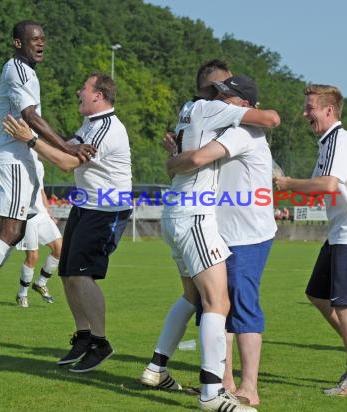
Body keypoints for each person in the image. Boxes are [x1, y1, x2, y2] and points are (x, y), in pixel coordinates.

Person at [140, 63, 279, 412]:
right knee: (218, 304)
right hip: (196, 216)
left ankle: (157, 367)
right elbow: (271, 119)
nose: (223, 100)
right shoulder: (217, 113)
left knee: (194, 298)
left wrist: (173, 159)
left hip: (183, 214)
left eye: (227, 95)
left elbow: (195, 153)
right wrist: (177, 161)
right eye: (220, 92)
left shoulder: (189, 112)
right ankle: (212, 394)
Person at [0, 20, 93, 336]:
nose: (41, 43)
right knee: (10, 230)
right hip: (14, 158)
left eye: (43, 38)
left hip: (26, 160)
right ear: (18, 43)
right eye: (34, 39)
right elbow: (30, 117)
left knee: (16, 234)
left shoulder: (28, 72)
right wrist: (66, 144)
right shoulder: (17, 69)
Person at [4, 71, 132, 373]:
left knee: (82, 275)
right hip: (85, 207)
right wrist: (33, 133)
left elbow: (65, 162)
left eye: (84, 89)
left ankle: (101, 343)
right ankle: (84, 337)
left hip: (106, 210)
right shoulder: (91, 124)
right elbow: (65, 148)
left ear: (98, 95)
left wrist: (31, 139)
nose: (78, 92)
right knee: (67, 273)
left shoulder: (107, 128)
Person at [274, 84, 347, 397]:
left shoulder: (339, 139)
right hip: (339, 234)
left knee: (345, 305)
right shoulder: (326, 143)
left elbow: (329, 185)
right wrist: (280, 192)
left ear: (329, 110)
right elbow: (319, 189)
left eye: (310, 108)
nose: (306, 113)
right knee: (317, 296)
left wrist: (287, 182)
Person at [15, 152, 62, 308]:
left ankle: (41, 283)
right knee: (33, 257)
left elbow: (41, 191)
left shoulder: (39, 166)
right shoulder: (17, 163)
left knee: (60, 249)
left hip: (42, 215)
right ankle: (22, 294)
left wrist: (49, 213)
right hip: (26, 216)